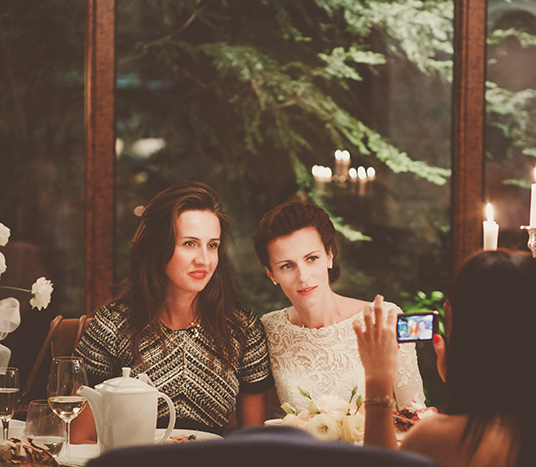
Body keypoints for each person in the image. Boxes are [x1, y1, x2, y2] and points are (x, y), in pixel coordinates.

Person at [354, 250, 536, 467]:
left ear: (469, 338)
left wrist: (378, 379)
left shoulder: (436, 438)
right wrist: (464, 383)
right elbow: (520, 397)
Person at [73, 182, 273, 440]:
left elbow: (252, 444)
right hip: (132, 458)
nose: (204, 260)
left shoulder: (242, 328)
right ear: (158, 246)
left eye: (212, 245)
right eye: (189, 244)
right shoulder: (112, 325)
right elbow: (80, 438)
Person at [252, 201, 425, 412]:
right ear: (271, 274)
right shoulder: (267, 330)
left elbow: (414, 413)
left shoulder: (385, 318)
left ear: (329, 256)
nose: (303, 277)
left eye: (312, 258)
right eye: (287, 266)